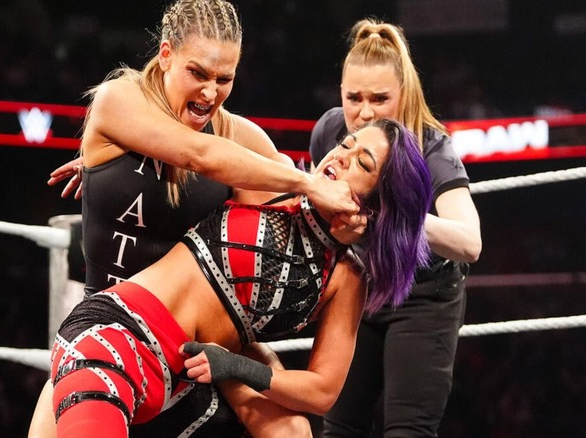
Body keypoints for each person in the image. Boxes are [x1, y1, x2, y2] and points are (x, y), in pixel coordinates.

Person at [30, 1, 364, 436]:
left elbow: (303, 223)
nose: (210, 92)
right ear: (166, 55)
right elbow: (195, 152)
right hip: (110, 327)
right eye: (198, 74)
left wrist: (356, 222)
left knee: (292, 432)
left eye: (224, 79)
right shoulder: (119, 100)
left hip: (203, 340)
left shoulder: (240, 139)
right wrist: (308, 182)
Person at [50, 119, 432, 438]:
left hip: (185, 375)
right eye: (345, 145)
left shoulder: (347, 278)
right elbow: (194, 130)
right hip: (120, 334)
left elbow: (322, 391)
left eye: (362, 163)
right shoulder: (274, 181)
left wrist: (237, 366)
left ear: (379, 203)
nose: (341, 157)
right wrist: (110, 165)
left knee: (293, 433)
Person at [308, 19, 482, 437]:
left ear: (402, 95)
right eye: (354, 98)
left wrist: (395, 213)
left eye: (380, 99)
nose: (364, 112)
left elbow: (469, 242)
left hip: (424, 296)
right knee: (338, 427)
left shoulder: (432, 149)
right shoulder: (332, 133)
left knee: (408, 431)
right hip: (360, 285)